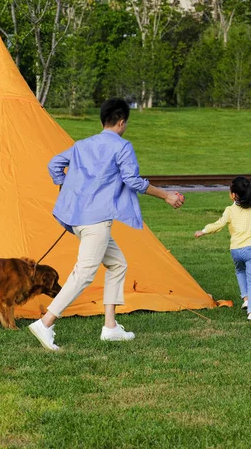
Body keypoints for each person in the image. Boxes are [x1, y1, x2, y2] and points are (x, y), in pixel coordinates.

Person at [28, 98, 184, 351]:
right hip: (96, 223)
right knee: (85, 273)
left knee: (118, 264)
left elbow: (54, 164)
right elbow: (133, 181)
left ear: (103, 121)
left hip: (76, 220)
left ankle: (110, 327)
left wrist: (65, 186)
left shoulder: (81, 145)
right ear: (121, 123)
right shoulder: (122, 147)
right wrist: (166, 195)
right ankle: (46, 323)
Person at [194, 176, 251, 321]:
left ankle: (246, 298)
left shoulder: (230, 210)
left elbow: (219, 224)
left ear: (234, 195)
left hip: (236, 250)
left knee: (240, 271)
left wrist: (204, 231)